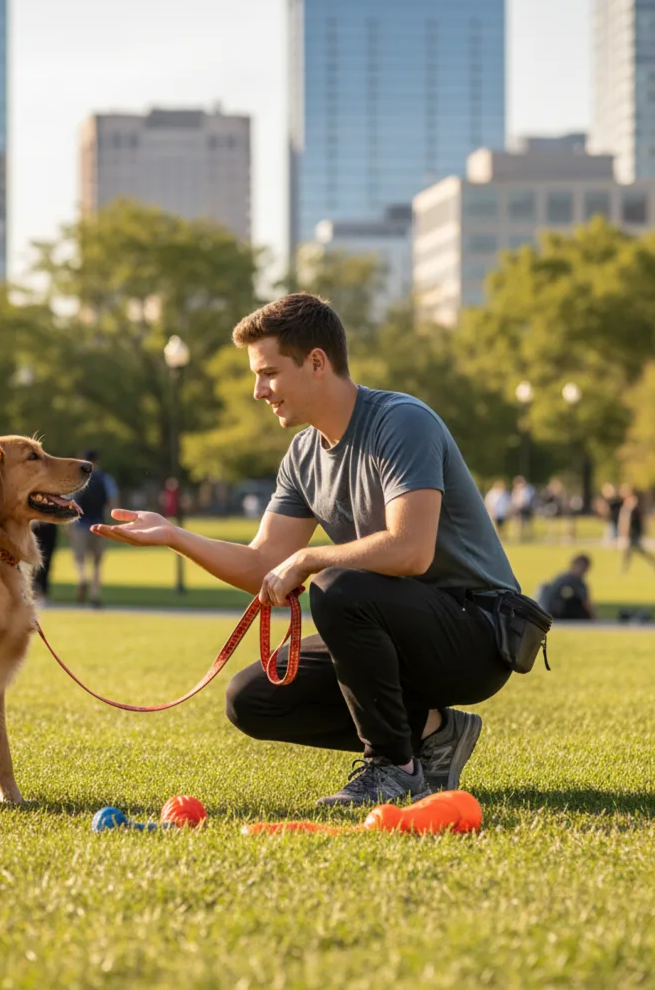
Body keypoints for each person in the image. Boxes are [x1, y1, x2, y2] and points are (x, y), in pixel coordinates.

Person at [93, 293, 519, 806]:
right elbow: (263, 565)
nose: (258, 390)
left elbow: (411, 551)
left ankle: (394, 767)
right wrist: (175, 536)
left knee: (337, 584)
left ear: (317, 362)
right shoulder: (302, 455)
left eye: (268, 372)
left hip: (477, 632)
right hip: (395, 626)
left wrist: (311, 558)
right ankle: (434, 734)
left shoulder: (402, 421)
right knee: (253, 699)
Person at [69, 449, 118, 606]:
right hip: (99, 523)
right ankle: (95, 593)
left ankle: (82, 578)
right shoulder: (105, 479)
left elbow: (70, 501)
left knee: (79, 557)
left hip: (80, 523)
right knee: (97, 562)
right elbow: (112, 502)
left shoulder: (77, 479)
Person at [537, 554, 596, 620]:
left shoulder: (562, 577)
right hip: (559, 612)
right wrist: (594, 618)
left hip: (552, 611)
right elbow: (586, 602)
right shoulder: (575, 580)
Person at [619, 487, 655, 574]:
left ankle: (624, 568)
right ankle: (624, 568)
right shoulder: (631, 507)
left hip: (634, 533)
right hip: (634, 533)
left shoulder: (633, 508)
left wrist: (626, 530)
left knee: (635, 550)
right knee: (632, 550)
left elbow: (631, 521)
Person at [31, 520, 59, 603]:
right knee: (32, 562)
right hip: (35, 528)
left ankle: (42, 592)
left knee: (46, 561)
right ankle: (34, 590)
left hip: (48, 528)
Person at [511, 475, 535, 542]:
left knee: (527, 523)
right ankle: (517, 537)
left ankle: (528, 537)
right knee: (517, 523)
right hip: (517, 508)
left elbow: (527, 500)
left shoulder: (527, 490)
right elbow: (514, 500)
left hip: (525, 508)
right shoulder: (515, 491)